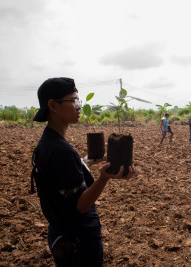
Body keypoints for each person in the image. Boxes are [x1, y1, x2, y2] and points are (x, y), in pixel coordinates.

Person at [30, 77, 134, 266]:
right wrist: (104, 177)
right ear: (53, 106)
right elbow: (81, 206)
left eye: (79, 101)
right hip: (78, 240)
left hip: (62, 233)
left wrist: (84, 163)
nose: (79, 106)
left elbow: (61, 185)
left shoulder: (48, 143)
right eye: (73, 101)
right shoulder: (60, 150)